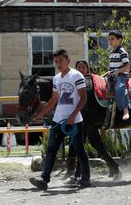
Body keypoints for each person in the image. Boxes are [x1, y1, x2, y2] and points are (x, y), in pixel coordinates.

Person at [29, 49, 91, 190]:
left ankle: (86, 179)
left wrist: (72, 115)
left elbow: (84, 98)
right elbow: (53, 100)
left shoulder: (77, 75)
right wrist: (41, 113)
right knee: (51, 149)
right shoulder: (56, 78)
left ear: (68, 60)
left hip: (74, 120)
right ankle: (44, 179)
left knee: (80, 149)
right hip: (58, 120)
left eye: (60, 61)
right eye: (56, 62)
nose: (58, 64)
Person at [63, 60, 91, 184]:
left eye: (83, 67)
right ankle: (72, 172)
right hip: (75, 119)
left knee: (79, 146)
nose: (81, 69)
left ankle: (79, 175)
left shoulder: (90, 84)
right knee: (74, 145)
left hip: (84, 119)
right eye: (78, 67)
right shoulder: (72, 83)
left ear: (87, 70)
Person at [107, 30, 131, 120]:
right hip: (112, 75)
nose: (110, 41)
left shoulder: (122, 52)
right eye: (109, 39)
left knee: (119, 87)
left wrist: (118, 71)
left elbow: (128, 66)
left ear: (119, 40)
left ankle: (125, 109)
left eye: (112, 39)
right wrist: (111, 72)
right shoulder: (111, 52)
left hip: (122, 75)